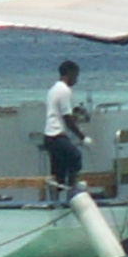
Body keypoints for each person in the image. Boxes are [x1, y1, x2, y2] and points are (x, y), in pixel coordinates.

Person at [43, 60, 92, 190]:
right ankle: (72, 189)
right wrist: (83, 137)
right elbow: (67, 119)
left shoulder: (53, 89)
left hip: (48, 136)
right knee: (75, 157)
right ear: (70, 74)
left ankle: (58, 197)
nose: (76, 80)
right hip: (57, 135)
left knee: (59, 170)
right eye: (76, 76)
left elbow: (61, 112)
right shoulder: (65, 91)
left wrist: (76, 112)